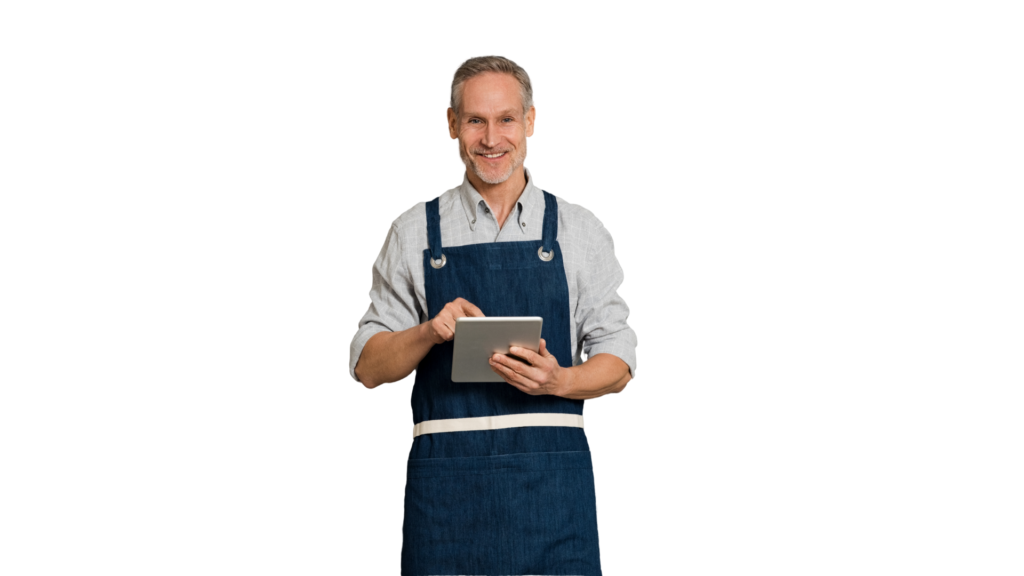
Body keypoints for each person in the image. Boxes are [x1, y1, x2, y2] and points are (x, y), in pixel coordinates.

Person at [349, 55, 637, 576]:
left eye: (506, 119)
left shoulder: (578, 231)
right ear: (452, 124)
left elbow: (618, 360)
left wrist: (561, 379)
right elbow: (369, 367)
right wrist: (429, 331)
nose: (491, 138)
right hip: (447, 498)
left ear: (529, 122)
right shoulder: (415, 233)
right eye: (476, 120)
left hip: (553, 496)